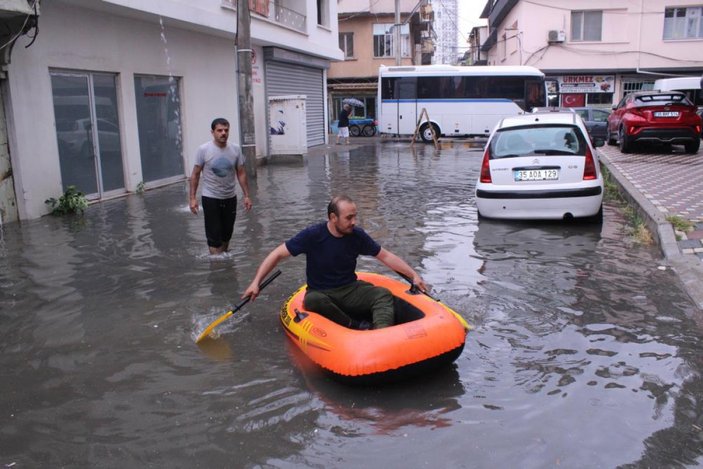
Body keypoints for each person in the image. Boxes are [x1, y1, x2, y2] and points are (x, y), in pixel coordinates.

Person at [243, 195, 428, 330]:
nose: (354, 222)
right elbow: (276, 254)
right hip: (322, 292)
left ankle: (382, 334)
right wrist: (255, 283)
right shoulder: (313, 235)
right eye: (349, 218)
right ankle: (353, 325)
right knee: (313, 300)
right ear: (333, 218)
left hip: (349, 289)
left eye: (355, 216)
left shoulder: (357, 236)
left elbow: (385, 256)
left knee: (383, 295)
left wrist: (414, 275)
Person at [189, 117, 253, 255]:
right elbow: (195, 174)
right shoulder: (204, 149)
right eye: (219, 130)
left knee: (227, 234)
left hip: (230, 197)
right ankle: (217, 265)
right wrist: (193, 198)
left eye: (226, 130)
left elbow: (241, 173)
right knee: (214, 237)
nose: (223, 133)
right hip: (210, 197)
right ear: (212, 132)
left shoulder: (235, 149)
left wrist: (247, 196)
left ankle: (224, 263)